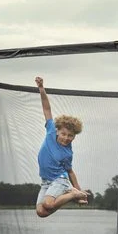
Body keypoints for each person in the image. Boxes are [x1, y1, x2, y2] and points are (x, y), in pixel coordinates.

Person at [34, 76, 88, 217]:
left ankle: (72, 194)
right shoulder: (51, 129)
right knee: (41, 212)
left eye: (70, 135)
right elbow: (46, 108)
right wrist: (41, 88)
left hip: (60, 180)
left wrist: (78, 190)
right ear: (57, 130)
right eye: (64, 134)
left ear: (74, 136)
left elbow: (70, 171)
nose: (66, 138)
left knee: (49, 204)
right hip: (46, 181)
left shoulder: (67, 153)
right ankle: (72, 194)